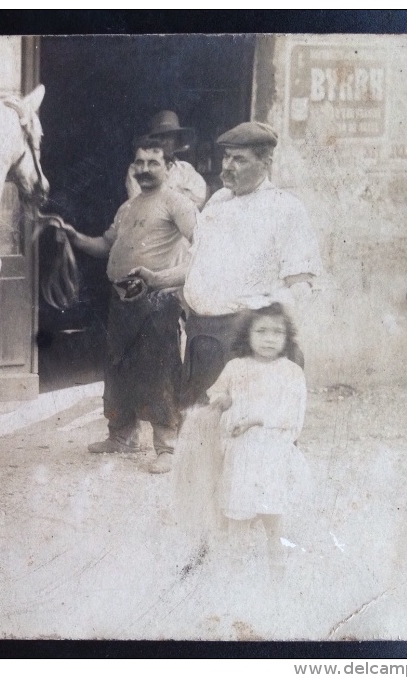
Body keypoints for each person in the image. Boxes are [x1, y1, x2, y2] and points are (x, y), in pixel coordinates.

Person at [58, 138, 197, 473]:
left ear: (169, 167)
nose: (145, 169)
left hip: (158, 300)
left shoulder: (177, 203)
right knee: (118, 367)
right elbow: (105, 245)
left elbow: (202, 246)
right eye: (140, 163)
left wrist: (166, 277)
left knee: (159, 368)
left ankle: (167, 446)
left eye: (153, 162)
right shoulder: (128, 207)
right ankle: (122, 436)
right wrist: (75, 237)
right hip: (121, 299)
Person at [179, 121, 323, 409]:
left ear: (265, 162)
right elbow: (198, 265)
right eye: (226, 157)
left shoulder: (286, 208)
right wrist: (157, 279)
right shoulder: (217, 202)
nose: (228, 166)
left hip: (248, 340)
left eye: (239, 159)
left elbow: (300, 286)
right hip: (203, 336)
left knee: (251, 430)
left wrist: (273, 348)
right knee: (203, 430)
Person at [207, 304, 310, 575]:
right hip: (241, 452)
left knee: (271, 508)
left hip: (272, 453)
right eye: (261, 331)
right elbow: (218, 392)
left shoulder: (291, 372)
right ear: (246, 335)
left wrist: (257, 419)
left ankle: (276, 560)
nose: (269, 338)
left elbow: (292, 416)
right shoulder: (235, 367)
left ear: (287, 338)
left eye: (277, 332)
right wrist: (222, 400)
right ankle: (236, 565)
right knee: (238, 505)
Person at [125, 110, 207, 209]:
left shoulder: (185, 169)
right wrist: (181, 195)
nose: (165, 142)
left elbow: (200, 200)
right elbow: (141, 205)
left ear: (176, 141)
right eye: (160, 137)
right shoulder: (138, 168)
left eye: (170, 137)